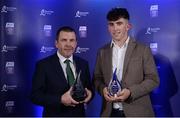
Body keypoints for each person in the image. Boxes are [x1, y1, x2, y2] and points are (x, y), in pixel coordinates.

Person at [93, 7, 160, 117]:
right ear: (108, 27)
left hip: (138, 112)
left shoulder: (143, 50)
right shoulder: (102, 51)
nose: (115, 28)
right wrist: (102, 89)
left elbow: (153, 79)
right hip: (110, 113)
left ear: (128, 26)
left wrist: (130, 92)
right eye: (111, 24)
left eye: (119, 23)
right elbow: (97, 78)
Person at [30, 26, 93, 117]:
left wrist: (90, 94)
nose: (68, 44)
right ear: (56, 43)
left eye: (72, 40)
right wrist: (60, 99)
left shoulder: (83, 64)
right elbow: (35, 96)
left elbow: (89, 88)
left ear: (76, 44)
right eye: (64, 40)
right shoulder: (43, 65)